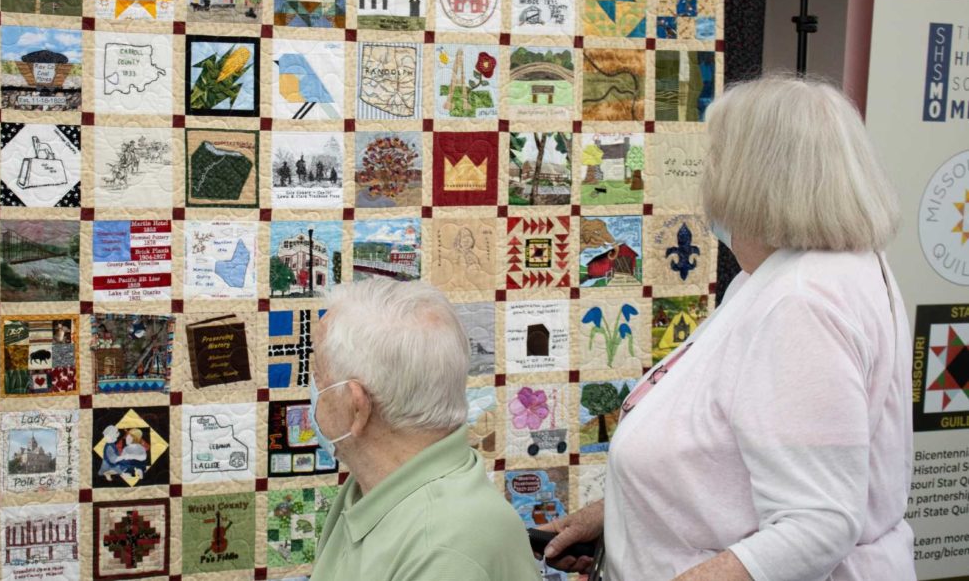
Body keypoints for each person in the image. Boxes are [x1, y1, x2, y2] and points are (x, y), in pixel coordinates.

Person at [541, 75, 914, 580]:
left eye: (714, 159)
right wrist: (622, 515)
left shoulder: (802, 303)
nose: (706, 178)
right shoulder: (809, 273)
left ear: (751, 176)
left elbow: (818, 523)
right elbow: (737, 453)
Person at [310, 278, 539, 581]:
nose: (312, 388)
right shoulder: (377, 486)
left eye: (317, 374)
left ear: (357, 408)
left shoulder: (444, 552)